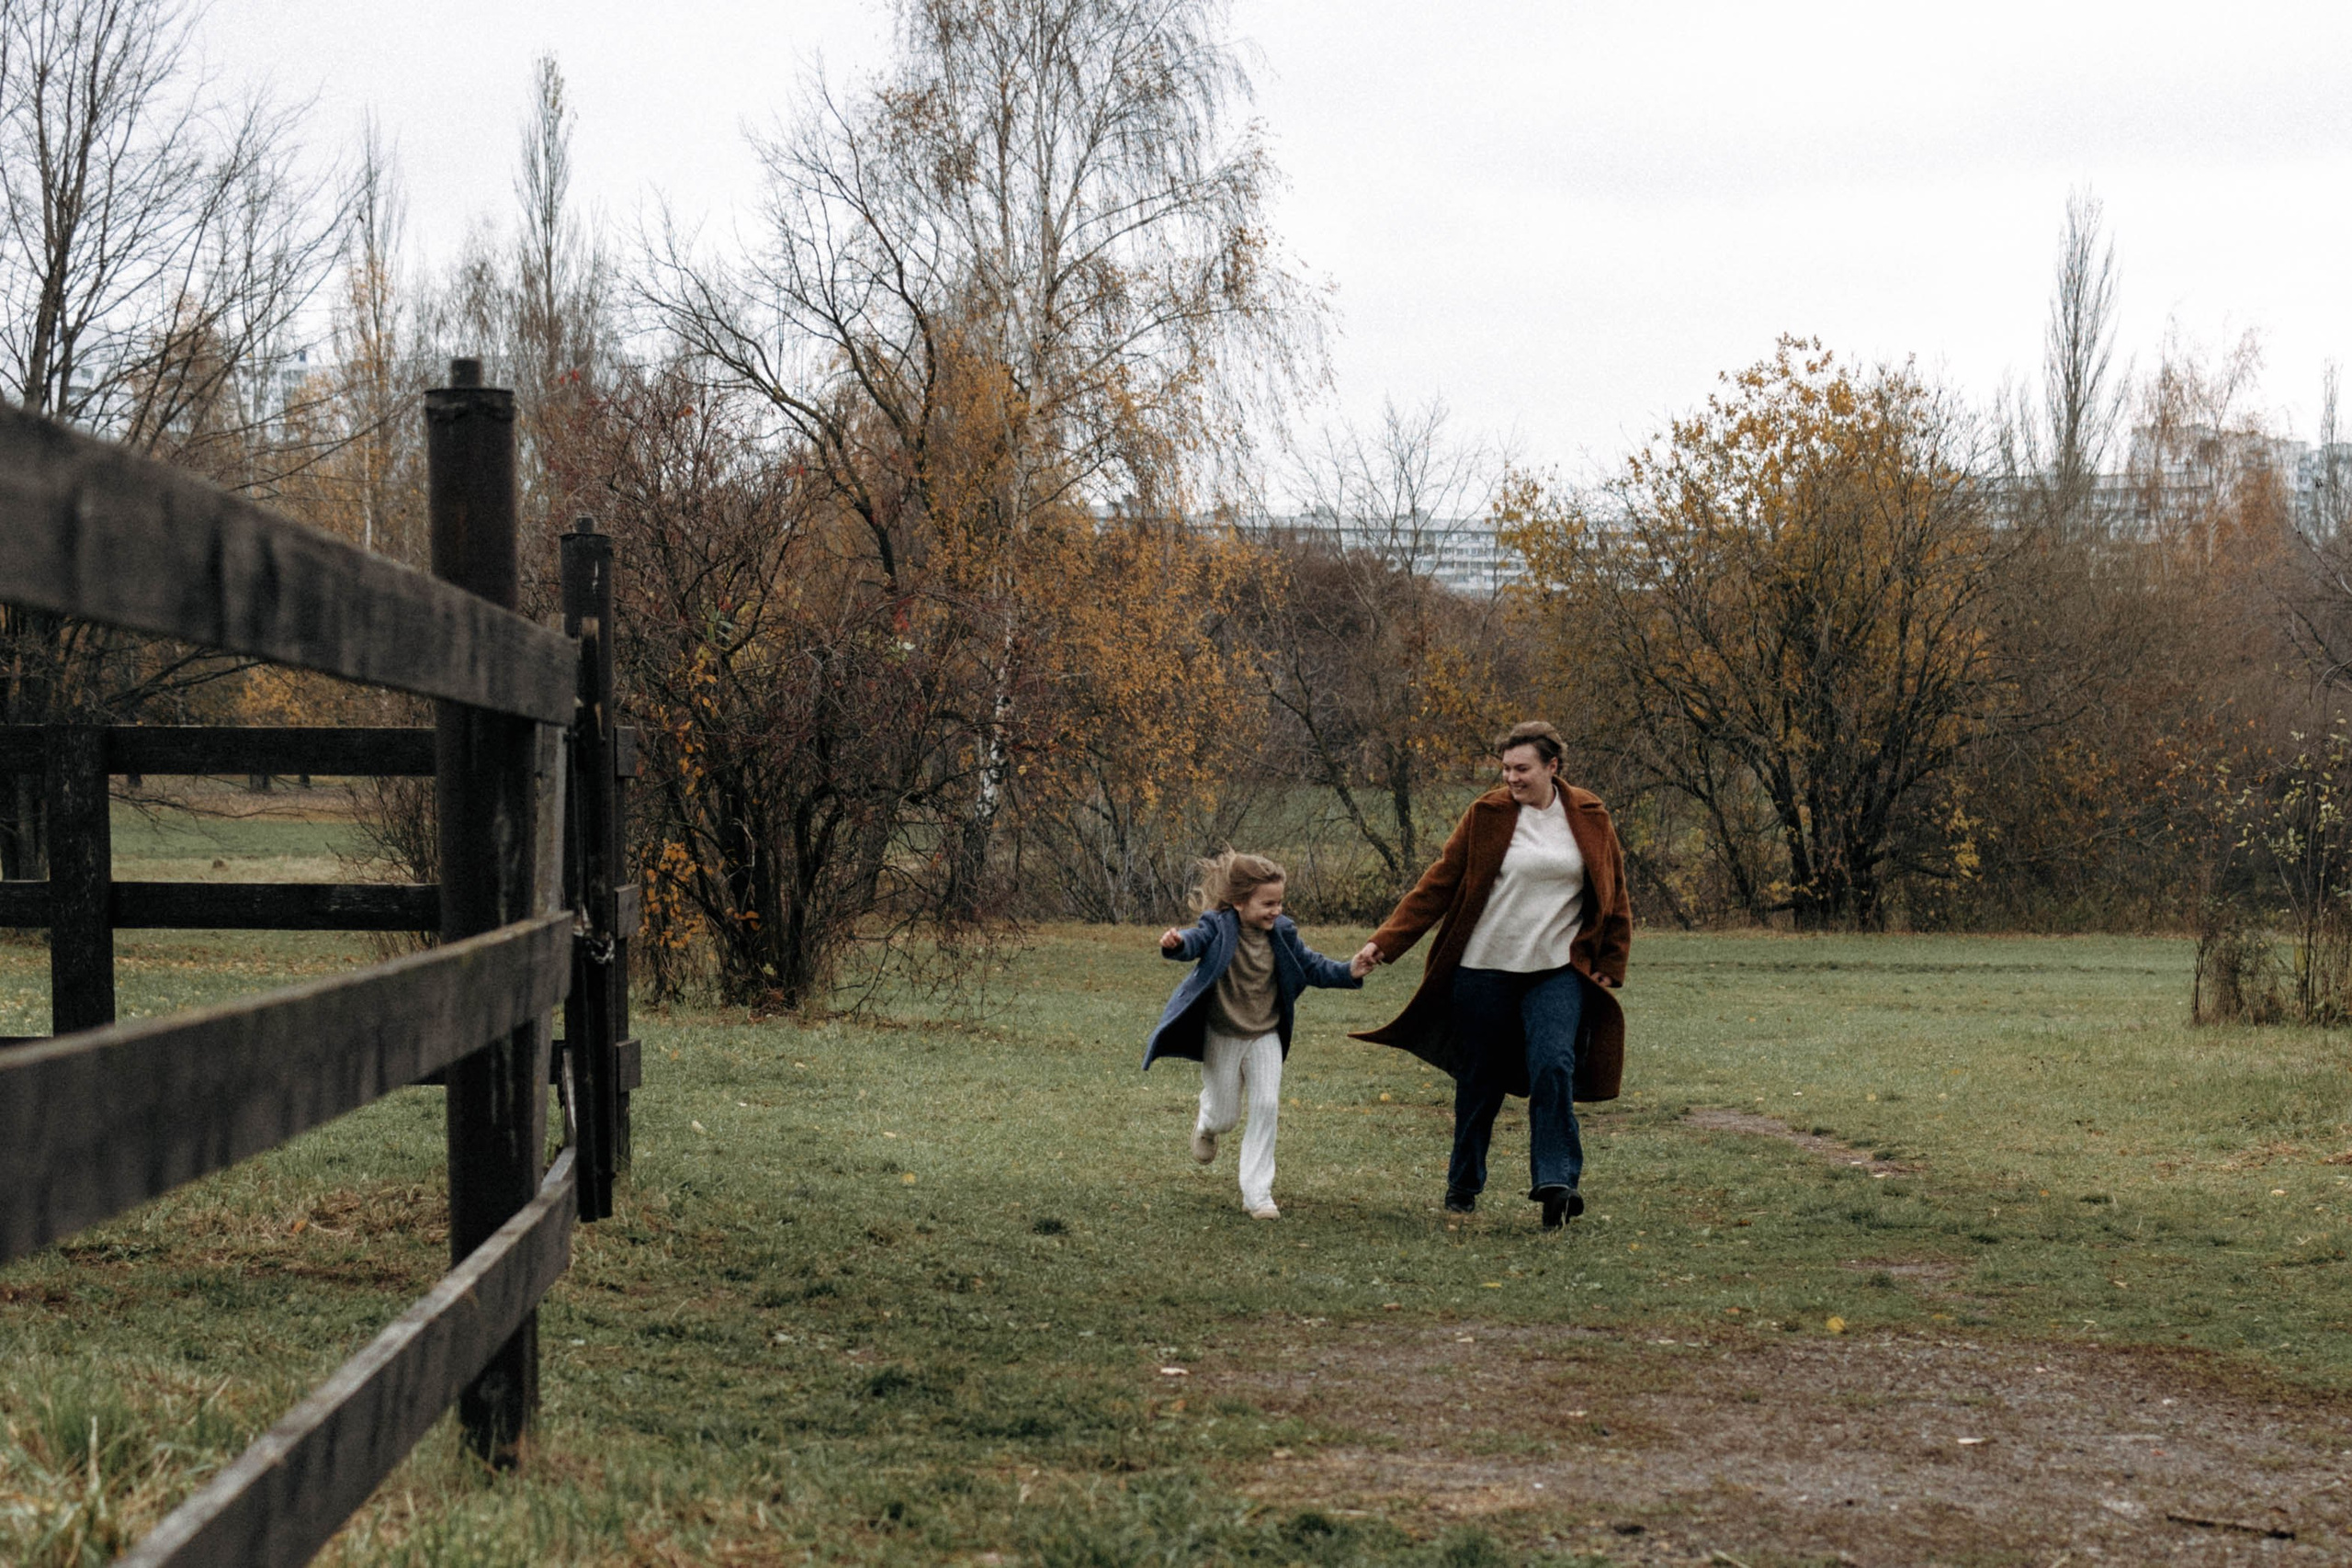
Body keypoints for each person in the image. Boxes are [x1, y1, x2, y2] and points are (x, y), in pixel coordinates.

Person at [1351, 721, 1632, 1229]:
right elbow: (1437, 884)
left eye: (1522, 768)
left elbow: (1615, 893)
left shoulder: (1590, 815)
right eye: (1505, 768)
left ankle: (1557, 1185)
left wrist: (1611, 962)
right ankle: (1463, 1183)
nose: (1511, 778)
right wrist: (1385, 942)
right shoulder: (1487, 814)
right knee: (1480, 1081)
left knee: (1554, 1065)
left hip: (1557, 968)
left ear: (1552, 766)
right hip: (1483, 969)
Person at [1144, 852, 1375, 1220]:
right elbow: (1195, 940)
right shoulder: (1217, 926)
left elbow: (1312, 965)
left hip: (1265, 1032)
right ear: (1239, 902)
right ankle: (1207, 1121)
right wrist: (1176, 944)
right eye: (1267, 903)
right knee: (1226, 1117)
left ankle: (1258, 1195)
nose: (1276, 910)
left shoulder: (1283, 932)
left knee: (1266, 1106)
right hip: (1223, 1033)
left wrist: (1350, 969)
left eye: (1279, 902)